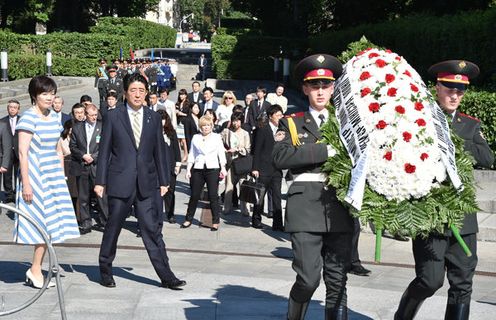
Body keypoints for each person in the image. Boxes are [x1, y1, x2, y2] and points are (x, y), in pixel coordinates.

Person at [394, 60, 494, 320]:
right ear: (437, 87)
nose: (455, 95)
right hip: (431, 215)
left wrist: (453, 143)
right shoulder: (419, 120)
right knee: (430, 280)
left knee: (462, 284)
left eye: (460, 91)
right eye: (449, 89)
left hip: (463, 218)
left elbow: (486, 157)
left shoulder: (469, 125)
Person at [272, 54, 354, 319]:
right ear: (305, 89)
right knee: (308, 279)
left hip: (340, 208)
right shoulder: (292, 122)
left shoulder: (347, 124)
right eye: (315, 86)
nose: (320, 91)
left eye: (325, 86)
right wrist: (324, 151)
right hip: (305, 207)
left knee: (337, 281)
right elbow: (280, 157)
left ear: (333, 88)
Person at [94, 73, 186, 289]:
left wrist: (164, 181)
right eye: (133, 90)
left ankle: (166, 275)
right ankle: (105, 269)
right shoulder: (113, 115)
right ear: (125, 92)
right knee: (113, 228)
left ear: (147, 93)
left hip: (147, 183)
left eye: (141, 91)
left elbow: (158, 152)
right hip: (120, 181)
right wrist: (100, 181)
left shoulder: (153, 118)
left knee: (152, 230)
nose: (137, 95)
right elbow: (105, 150)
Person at [14, 76, 80, 288]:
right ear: (34, 96)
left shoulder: (54, 117)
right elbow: (22, 153)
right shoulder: (27, 118)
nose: (50, 98)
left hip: (53, 175)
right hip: (35, 175)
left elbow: (58, 147)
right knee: (40, 225)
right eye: (45, 94)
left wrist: (61, 176)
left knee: (52, 224)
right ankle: (35, 270)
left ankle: (36, 268)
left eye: (52, 93)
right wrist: (26, 183)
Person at [182, 115, 227, 231]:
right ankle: (188, 219)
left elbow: (221, 153)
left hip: (213, 168)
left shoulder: (217, 137)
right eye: (204, 126)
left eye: (208, 125)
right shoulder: (196, 137)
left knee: (213, 195)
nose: (206, 128)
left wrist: (223, 167)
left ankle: (215, 221)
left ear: (211, 126)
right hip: (198, 167)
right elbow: (192, 154)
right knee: (195, 195)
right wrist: (188, 169)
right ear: (200, 127)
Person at [69, 104, 109, 234]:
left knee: (101, 195)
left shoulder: (102, 127)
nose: (94, 117)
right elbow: (73, 146)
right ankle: (86, 223)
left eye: (95, 115)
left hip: (97, 166)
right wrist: (82, 155)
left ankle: (105, 222)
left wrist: (94, 157)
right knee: (83, 196)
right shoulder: (77, 127)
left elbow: (106, 146)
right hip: (82, 165)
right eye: (91, 115)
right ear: (85, 115)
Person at [251, 104, 284, 230]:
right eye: (278, 115)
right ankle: (256, 220)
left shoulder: (283, 129)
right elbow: (257, 149)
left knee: (277, 197)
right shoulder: (263, 129)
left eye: (282, 115)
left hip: (277, 169)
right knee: (260, 196)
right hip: (263, 168)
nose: (280, 117)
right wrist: (255, 168)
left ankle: (278, 223)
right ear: (271, 116)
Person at [221, 112, 251, 216]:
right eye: (234, 120)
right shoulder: (226, 131)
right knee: (229, 185)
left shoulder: (245, 133)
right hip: (230, 162)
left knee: (243, 185)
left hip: (241, 162)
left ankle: (245, 209)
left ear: (241, 121)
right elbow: (220, 143)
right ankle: (227, 208)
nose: (235, 123)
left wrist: (238, 149)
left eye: (238, 121)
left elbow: (248, 149)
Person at [157, 110, 181, 224]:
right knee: (157, 192)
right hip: (157, 166)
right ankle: (157, 215)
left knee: (170, 191)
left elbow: (176, 148)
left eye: (163, 119)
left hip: (170, 164)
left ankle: (170, 214)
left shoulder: (171, 132)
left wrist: (178, 163)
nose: (162, 121)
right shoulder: (152, 132)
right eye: (160, 119)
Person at [2, 99, 20, 203]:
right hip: (7, 152)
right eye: (10, 107)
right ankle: (8, 194)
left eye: (14, 108)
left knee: (18, 173)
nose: (12, 109)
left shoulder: (22, 120)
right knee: (7, 174)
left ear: (18, 109)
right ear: (8, 108)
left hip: (18, 151)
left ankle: (17, 192)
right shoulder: (2, 121)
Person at [60, 120, 78, 219]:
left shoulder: (77, 138)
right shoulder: (62, 139)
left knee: (76, 191)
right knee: (68, 191)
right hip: (66, 164)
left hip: (75, 164)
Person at [176, 88, 190, 162]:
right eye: (180, 94)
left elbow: (189, 114)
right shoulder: (178, 103)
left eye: (183, 94)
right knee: (178, 139)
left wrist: (181, 113)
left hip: (184, 123)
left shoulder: (188, 104)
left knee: (184, 140)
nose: (181, 96)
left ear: (185, 95)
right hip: (178, 122)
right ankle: (178, 155)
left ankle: (186, 154)